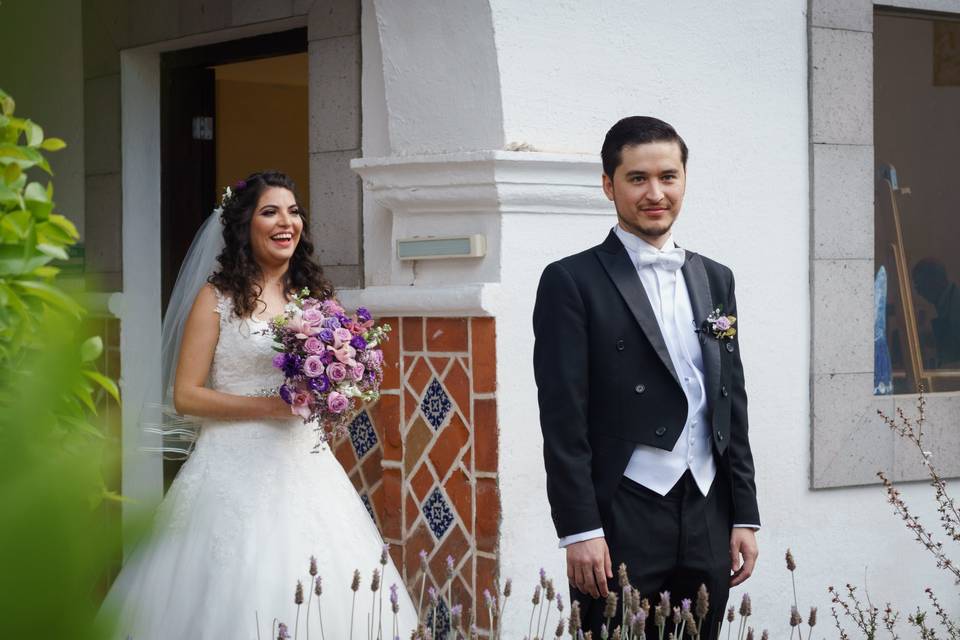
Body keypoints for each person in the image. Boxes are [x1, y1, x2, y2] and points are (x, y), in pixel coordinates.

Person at [101, 171, 418, 639]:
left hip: (304, 467)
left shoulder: (317, 301)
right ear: (245, 225)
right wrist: (269, 408)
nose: (285, 222)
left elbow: (336, 380)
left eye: (293, 211)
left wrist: (343, 389)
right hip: (228, 468)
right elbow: (186, 395)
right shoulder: (217, 299)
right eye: (270, 211)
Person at [533, 117, 760, 639]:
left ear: (683, 179)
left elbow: (730, 401)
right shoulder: (571, 280)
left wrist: (744, 513)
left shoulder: (715, 277)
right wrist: (580, 529)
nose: (655, 193)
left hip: (707, 506)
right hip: (623, 508)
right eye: (637, 178)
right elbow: (563, 418)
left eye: (668, 176)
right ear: (609, 185)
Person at [912, 258, 960, 368]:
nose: (919, 292)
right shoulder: (947, 302)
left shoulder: (956, 304)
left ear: (935, 281)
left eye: (920, 285)